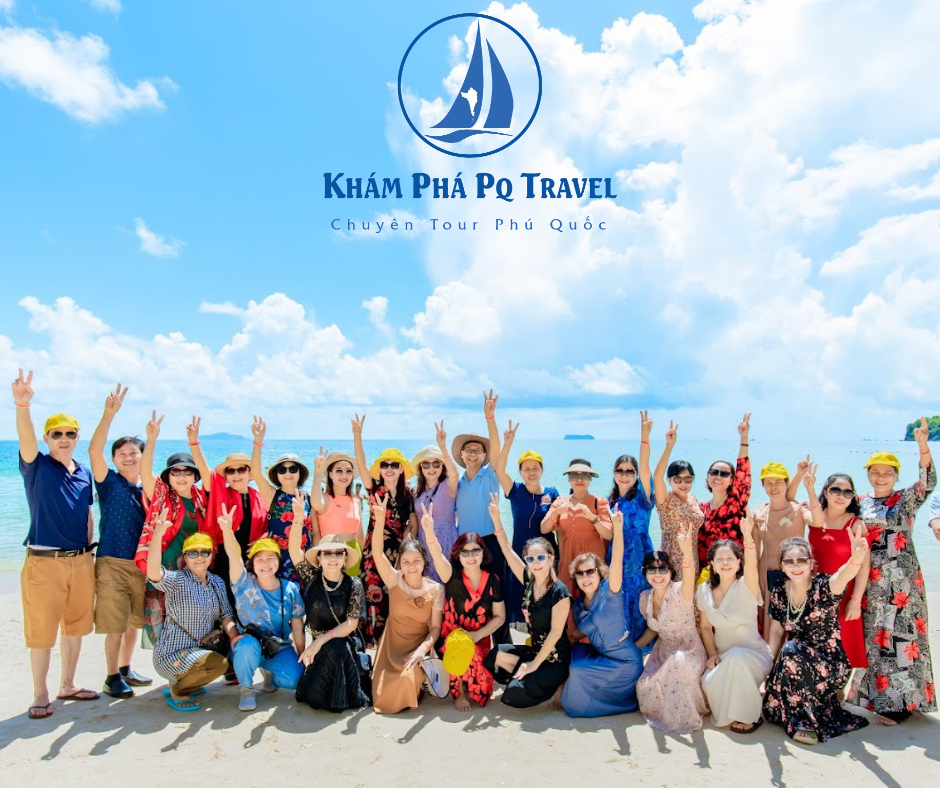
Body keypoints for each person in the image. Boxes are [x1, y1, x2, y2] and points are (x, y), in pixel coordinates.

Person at [14, 369, 99, 719]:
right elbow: (25, 440)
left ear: (77, 437)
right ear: (47, 438)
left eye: (70, 433)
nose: (64, 439)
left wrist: (90, 551)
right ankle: (40, 692)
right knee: (42, 632)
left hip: (81, 561)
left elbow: (87, 513)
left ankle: (68, 684)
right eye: (57, 434)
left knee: (76, 627)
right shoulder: (37, 466)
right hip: (44, 562)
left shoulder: (84, 472)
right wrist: (22, 405)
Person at [850, 422, 937, 725]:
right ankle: (878, 698)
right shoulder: (859, 502)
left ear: (897, 476)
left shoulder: (905, 499)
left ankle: (902, 704)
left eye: (887, 472)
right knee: (876, 638)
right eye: (875, 472)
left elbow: (928, 482)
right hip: (871, 581)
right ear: (868, 474)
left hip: (903, 582)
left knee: (903, 638)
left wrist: (923, 447)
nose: (881, 477)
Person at [762, 531, 871, 744]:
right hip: (794, 662)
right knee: (772, 711)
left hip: (829, 663)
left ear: (811, 563)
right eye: (789, 561)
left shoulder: (823, 587)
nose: (796, 565)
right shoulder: (779, 591)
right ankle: (800, 707)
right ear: (782, 566)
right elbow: (775, 632)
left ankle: (803, 723)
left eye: (802, 560)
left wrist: (855, 559)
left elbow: (842, 576)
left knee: (791, 648)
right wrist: (768, 668)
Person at [87, 382, 152, 699]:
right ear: (113, 459)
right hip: (112, 561)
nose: (128, 457)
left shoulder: (150, 487)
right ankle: (111, 677)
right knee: (115, 623)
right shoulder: (108, 482)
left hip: (141, 565)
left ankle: (125, 669)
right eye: (122, 454)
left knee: (134, 623)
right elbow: (93, 451)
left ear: (143, 456)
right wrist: (108, 415)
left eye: (133, 453)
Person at [146, 510, 238, 712]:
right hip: (170, 654)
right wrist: (158, 534)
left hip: (199, 651)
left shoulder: (216, 582)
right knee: (219, 664)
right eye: (193, 553)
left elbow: (226, 616)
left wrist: (234, 636)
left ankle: (188, 682)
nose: (199, 557)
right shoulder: (177, 580)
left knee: (230, 659)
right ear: (185, 557)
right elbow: (153, 572)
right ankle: (178, 690)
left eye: (204, 552)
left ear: (211, 555)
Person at [486, 494, 571, 708]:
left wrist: (533, 664)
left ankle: (557, 682)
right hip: (530, 648)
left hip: (552, 658)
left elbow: (555, 633)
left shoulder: (559, 591)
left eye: (541, 557)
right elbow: (507, 551)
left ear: (551, 558)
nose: (536, 563)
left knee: (512, 695)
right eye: (530, 558)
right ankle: (525, 673)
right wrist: (496, 520)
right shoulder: (529, 579)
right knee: (494, 656)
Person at [134, 411, 210, 649]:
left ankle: (190, 664)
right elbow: (145, 472)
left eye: (188, 471)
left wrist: (194, 442)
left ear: (195, 476)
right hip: (164, 568)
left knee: (192, 621)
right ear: (168, 476)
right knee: (162, 621)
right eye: (176, 472)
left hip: (194, 568)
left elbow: (212, 479)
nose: (182, 476)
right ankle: (167, 666)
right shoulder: (162, 496)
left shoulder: (202, 499)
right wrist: (151, 439)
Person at [289, 497, 371, 713]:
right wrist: (298, 518)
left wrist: (319, 641)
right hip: (319, 645)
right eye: (327, 553)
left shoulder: (354, 584)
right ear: (319, 558)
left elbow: (351, 624)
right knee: (330, 649)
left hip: (344, 642)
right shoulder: (311, 578)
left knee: (337, 646)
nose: (333, 558)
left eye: (338, 553)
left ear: (344, 559)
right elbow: (294, 551)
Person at [219, 506, 305, 711]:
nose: (265, 564)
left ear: (278, 562)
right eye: (259, 559)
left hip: (279, 647)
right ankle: (246, 689)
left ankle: (270, 673)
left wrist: (302, 657)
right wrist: (227, 530)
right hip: (248, 644)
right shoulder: (243, 582)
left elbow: (298, 626)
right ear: (252, 563)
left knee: (294, 680)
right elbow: (234, 556)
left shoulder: (290, 588)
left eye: (270, 558)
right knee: (247, 647)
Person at [560, 507, 643, 717]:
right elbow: (579, 632)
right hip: (602, 656)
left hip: (625, 662)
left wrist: (618, 528)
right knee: (574, 655)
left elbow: (617, 560)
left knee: (578, 670)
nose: (585, 577)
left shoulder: (610, 592)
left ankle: (595, 703)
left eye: (590, 572)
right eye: (580, 574)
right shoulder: (578, 606)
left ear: (599, 573)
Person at [422, 506, 506, 710]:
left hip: (479, 638)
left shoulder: (492, 580)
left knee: (483, 690)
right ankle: (458, 692)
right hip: (451, 639)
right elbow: (437, 555)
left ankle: (468, 678)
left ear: (483, 553)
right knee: (461, 650)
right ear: (458, 555)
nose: (471, 556)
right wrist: (430, 532)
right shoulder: (451, 576)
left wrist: (479, 634)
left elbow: (500, 617)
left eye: (475, 550)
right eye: (465, 552)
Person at [369, 494, 444, 714]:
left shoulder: (436, 589)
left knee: (406, 680)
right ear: (400, 563)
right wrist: (379, 521)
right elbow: (377, 553)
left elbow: (436, 629)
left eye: (416, 561)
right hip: (391, 648)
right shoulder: (393, 580)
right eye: (406, 561)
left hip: (417, 648)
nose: (411, 566)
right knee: (383, 692)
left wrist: (422, 651)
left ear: (424, 562)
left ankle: (420, 680)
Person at [697, 517, 772, 733]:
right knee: (709, 682)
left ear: (739, 562)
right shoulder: (704, 590)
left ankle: (751, 716)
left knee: (738, 656)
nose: (725, 562)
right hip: (723, 657)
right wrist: (712, 654)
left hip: (754, 657)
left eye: (730, 558)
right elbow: (705, 628)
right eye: (719, 559)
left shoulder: (747, 585)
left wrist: (747, 536)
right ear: (712, 564)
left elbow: (752, 564)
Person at [634, 522, 708, 733]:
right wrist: (634, 647)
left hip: (689, 649)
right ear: (645, 573)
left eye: (663, 568)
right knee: (643, 685)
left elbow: (690, 572)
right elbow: (653, 629)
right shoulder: (645, 598)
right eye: (652, 569)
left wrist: (686, 550)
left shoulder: (680, 591)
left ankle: (683, 719)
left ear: (670, 572)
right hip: (662, 650)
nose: (657, 573)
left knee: (677, 662)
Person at [352, 413, 418, 647]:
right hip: (374, 551)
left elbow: (413, 522)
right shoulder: (373, 489)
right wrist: (357, 436)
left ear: (401, 469)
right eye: (385, 465)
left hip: (398, 554)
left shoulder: (408, 495)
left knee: (394, 597)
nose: (389, 469)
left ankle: (391, 643)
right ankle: (369, 645)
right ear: (379, 470)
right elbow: (360, 464)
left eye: (394, 465)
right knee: (372, 595)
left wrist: (409, 534)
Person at [492, 420, 559, 631]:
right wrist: (508, 443)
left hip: (546, 556)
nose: (531, 472)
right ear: (520, 472)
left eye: (535, 468)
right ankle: (522, 640)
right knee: (520, 600)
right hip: (519, 555)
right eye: (527, 468)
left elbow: (559, 527)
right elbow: (499, 469)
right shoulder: (516, 491)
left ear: (542, 470)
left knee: (545, 598)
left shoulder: (552, 493)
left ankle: (546, 637)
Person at [806, 471, 869, 671]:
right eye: (836, 490)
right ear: (826, 491)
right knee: (814, 648)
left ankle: (840, 688)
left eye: (847, 492)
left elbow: (864, 566)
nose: (841, 496)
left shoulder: (856, 524)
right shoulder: (813, 515)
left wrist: (856, 600)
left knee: (844, 649)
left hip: (845, 593)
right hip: (815, 592)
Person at [605, 410, 655, 650]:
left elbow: (645, 467)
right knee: (619, 608)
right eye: (620, 471)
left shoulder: (643, 498)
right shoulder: (609, 502)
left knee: (641, 608)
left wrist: (644, 438)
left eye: (629, 471)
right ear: (614, 474)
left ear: (635, 475)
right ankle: (622, 655)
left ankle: (641, 654)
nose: (624, 475)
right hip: (616, 562)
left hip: (640, 562)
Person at [248, 415, 311, 581]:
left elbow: (315, 531)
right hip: (277, 561)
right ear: (276, 474)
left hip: (303, 560)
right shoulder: (273, 496)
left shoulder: (308, 498)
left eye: (293, 469)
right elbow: (256, 471)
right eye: (282, 470)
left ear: (300, 473)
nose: (288, 473)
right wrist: (258, 441)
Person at [753, 461, 813, 636]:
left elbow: (786, 497)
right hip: (767, 572)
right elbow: (754, 551)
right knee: (770, 623)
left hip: (795, 570)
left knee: (795, 617)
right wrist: (753, 580)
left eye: (778, 482)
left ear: (786, 483)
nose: (773, 487)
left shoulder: (797, 509)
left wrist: (800, 475)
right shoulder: (759, 513)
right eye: (768, 483)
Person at [452, 391, 504, 591]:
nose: (473, 454)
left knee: (494, 591)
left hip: (490, 542)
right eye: (469, 450)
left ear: (484, 456)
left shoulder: (490, 475)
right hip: (464, 546)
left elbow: (496, 448)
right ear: (462, 454)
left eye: (478, 451)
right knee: (466, 592)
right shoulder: (458, 483)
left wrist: (490, 417)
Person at [542, 459, 612, 593]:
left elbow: (608, 534)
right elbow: (544, 528)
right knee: (567, 599)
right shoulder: (560, 502)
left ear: (590, 478)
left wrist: (592, 517)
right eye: (574, 475)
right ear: (568, 478)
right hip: (568, 560)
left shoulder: (599, 502)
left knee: (593, 598)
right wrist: (556, 512)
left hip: (593, 563)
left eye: (584, 475)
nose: (579, 479)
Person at [698, 413, 751, 569]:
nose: (718, 476)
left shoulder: (736, 502)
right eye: (714, 472)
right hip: (709, 572)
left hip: (735, 570)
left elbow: (743, 471)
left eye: (724, 474)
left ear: (732, 480)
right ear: (708, 476)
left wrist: (744, 439)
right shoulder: (701, 508)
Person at [652, 420, 704, 578]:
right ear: (669, 480)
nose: (683, 484)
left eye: (688, 480)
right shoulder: (666, 500)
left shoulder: (693, 499)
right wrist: (669, 446)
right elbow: (657, 477)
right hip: (672, 561)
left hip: (692, 559)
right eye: (678, 479)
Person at [413, 429, 458, 582]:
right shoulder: (416, 490)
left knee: (447, 583)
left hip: (445, 542)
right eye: (426, 464)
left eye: (436, 464)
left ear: (442, 466)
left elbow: (455, 473)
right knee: (427, 585)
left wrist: (443, 447)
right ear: (421, 468)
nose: (431, 468)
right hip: (423, 542)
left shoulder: (448, 485)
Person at [310, 447, 363, 577]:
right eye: (339, 471)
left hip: (353, 554)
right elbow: (315, 503)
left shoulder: (356, 501)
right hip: (330, 554)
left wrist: (362, 559)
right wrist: (317, 473)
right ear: (330, 474)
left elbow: (360, 536)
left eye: (348, 471)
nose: (344, 475)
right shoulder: (325, 499)